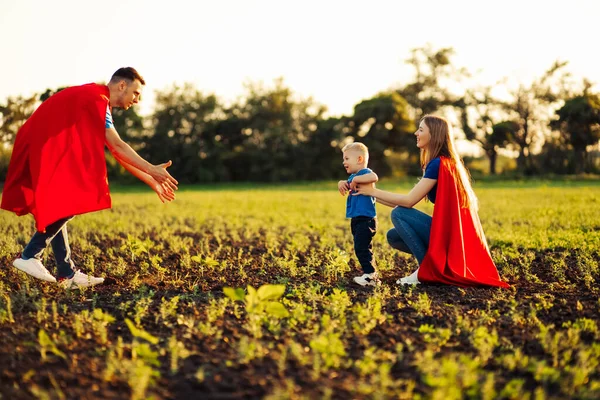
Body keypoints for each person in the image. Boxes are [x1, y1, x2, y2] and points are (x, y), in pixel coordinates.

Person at [1, 67, 179, 289]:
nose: (137, 100)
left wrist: (150, 177)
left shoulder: (97, 98)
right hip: (42, 147)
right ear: (122, 85)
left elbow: (116, 152)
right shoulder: (98, 100)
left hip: (42, 145)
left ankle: (67, 274)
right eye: (136, 93)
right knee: (77, 195)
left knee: (60, 203)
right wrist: (152, 169)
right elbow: (118, 145)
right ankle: (30, 255)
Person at [353, 115, 509, 288]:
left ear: (434, 134)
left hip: (450, 237)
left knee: (399, 213)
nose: (416, 133)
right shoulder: (444, 163)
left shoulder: (438, 164)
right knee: (394, 236)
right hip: (451, 236)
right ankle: (433, 266)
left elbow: (408, 202)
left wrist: (372, 191)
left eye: (421, 129)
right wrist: (371, 194)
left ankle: (425, 271)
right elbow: (406, 202)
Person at [337, 142, 380, 287]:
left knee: (362, 247)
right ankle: (370, 274)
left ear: (359, 159)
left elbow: (374, 177)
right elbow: (348, 184)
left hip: (366, 219)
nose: (344, 162)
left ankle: (371, 276)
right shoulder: (354, 177)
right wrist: (341, 183)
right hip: (357, 218)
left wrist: (356, 180)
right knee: (360, 246)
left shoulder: (365, 173)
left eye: (347, 159)